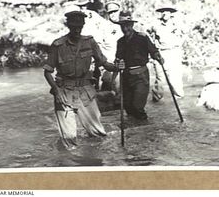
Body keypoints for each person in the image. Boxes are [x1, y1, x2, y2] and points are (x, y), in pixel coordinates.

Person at [43, 10, 118, 149]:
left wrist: (116, 67)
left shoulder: (90, 42)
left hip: (86, 92)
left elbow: (103, 63)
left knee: (98, 134)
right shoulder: (58, 45)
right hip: (64, 93)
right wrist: (57, 91)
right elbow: (47, 72)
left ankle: (98, 162)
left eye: (80, 26)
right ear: (68, 26)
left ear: (83, 25)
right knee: (69, 139)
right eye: (74, 26)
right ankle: (71, 164)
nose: (77, 29)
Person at [115, 11, 164, 120]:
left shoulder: (142, 38)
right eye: (122, 26)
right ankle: (132, 134)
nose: (125, 29)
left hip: (141, 76)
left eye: (127, 26)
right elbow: (117, 59)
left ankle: (144, 132)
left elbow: (153, 51)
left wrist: (158, 56)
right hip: (126, 77)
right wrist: (118, 64)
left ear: (132, 25)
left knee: (138, 106)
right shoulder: (120, 42)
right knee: (128, 106)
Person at [147, 5, 185, 102]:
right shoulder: (155, 24)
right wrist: (152, 44)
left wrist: (180, 43)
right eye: (163, 11)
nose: (165, 13)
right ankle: (157, 100)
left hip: (173, 52)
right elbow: (146, 33)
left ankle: (180, 100)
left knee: (175, 78)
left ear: (171, 13)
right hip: (161, 53)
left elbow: (185, 33)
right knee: (160, 79)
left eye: (167, 11)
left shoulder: (177, 24)